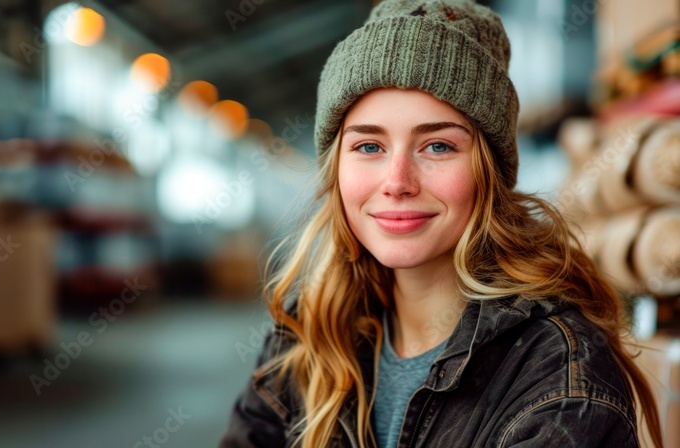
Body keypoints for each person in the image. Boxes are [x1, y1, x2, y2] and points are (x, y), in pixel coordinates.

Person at [219, 0, 664, 447]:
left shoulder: (557, 373)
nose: (397, 183)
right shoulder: (308, 336)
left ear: (488, 171)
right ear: (336, 168)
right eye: (369, 147)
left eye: (437, 146)